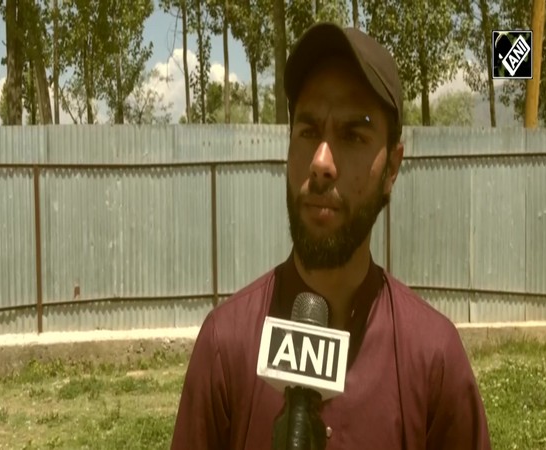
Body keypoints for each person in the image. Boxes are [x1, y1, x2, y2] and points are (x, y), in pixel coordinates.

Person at [171, 22, 491, 450]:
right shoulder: (224, 347)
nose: (321, 162)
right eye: (307, 132)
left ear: (392, 168)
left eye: (352, 135)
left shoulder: (433, 358)